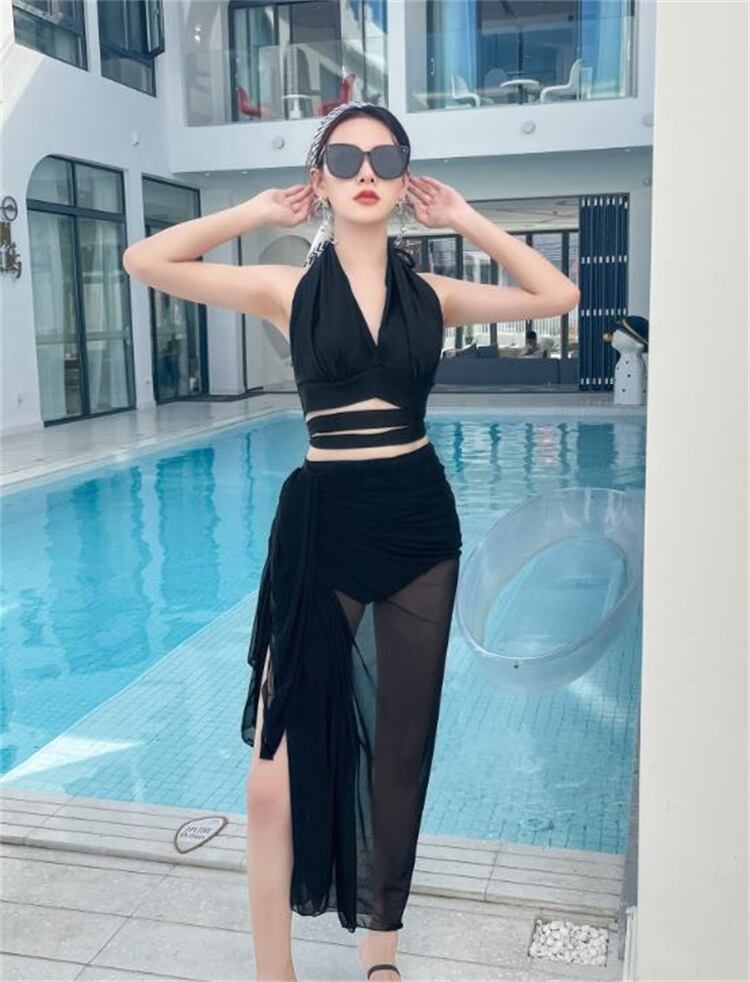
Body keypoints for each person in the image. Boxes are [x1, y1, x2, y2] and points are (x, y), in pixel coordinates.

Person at [122, 101, 579, 982]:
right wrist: (257, 211)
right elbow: (146, 260)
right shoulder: (285, 288)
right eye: (344, 157)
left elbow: (558, 296)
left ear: (406, 181)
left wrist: (466, 218)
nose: (365, 171)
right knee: (270, 782)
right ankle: (275, 972)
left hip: (418, 528)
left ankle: (380, 955)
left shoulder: (433, 295)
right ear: (320, 178)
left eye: (385, 157)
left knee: (398, 752)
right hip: (323, 524)